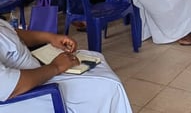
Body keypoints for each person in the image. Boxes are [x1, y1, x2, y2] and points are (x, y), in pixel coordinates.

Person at [0, 20, 133, 112]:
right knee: (109, 86)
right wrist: (56, 67)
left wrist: (50, 38)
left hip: (37, 73)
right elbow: (9, 86)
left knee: (95, 58)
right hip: (33, 94)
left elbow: (11, 33)